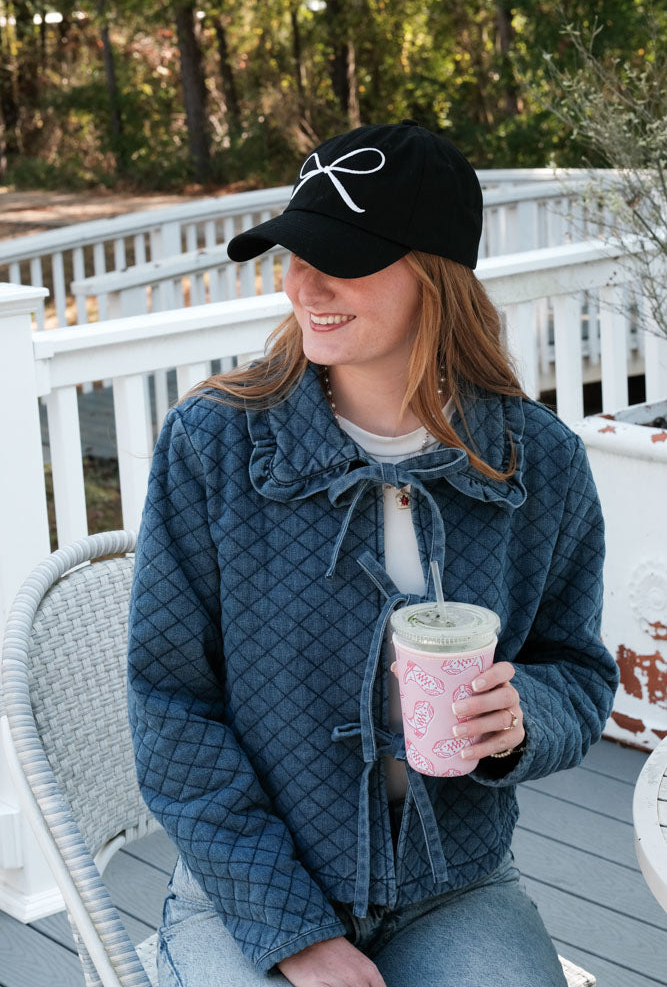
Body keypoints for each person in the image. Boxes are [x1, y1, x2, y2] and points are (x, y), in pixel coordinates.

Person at [127, 120, 620, 987]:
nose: (302, 284)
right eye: (292, 253)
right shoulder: (213, 444)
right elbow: (169, 707)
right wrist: (293, 935)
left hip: (450, 885)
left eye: (340, 256)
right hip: (252, 883)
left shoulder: (536, 461)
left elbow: (574, 670)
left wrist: (522, 721)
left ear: (434, 277)